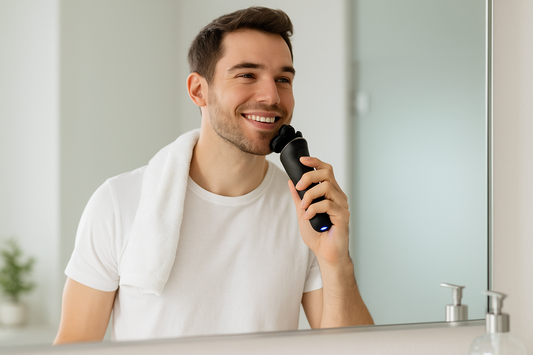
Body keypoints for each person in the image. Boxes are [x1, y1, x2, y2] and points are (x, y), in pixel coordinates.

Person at [54, 6, 373, 345]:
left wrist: (336, 260)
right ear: (198, 91)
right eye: (247, 75)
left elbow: (353, 349)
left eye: (283, 79)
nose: (272, 96)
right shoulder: (119, 203)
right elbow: (74, 346)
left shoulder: (305, 209)